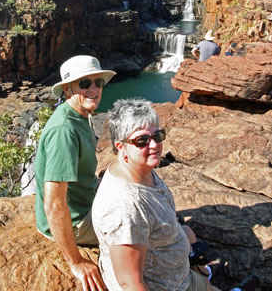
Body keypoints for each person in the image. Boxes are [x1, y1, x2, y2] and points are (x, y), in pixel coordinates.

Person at [92, 98, 262, 291]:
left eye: (157, 135)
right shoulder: (124, 207)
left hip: (177, 275)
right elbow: (130, 283)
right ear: (120, 147)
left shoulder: (138, 168)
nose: (154, 144)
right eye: (142, 140)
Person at [35, 55, 116, 291]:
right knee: (143, 225)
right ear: (68, 89)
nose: (93, 89)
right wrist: (76, 261)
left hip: (86, 203)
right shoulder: (64, 131)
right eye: (84, 84)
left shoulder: (80, 115)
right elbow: (54, 204)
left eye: (97, 83)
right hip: (77, 222)